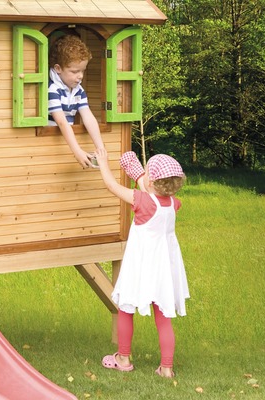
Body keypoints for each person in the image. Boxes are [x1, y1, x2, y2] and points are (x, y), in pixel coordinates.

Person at [95, 149, 190, 378]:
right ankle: (166, 368)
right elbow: (151, 189)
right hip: (162, 271)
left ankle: (123, 358)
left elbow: (112, 186)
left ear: (152, 181)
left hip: (139, 267)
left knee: (126, 308)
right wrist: (139, 172)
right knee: (163, 319)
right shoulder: (173, 203)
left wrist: (103, 163)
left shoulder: (141, 200)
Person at [48, 34, 105, 168]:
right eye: (74, 71)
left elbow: (88, 117)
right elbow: (61, 122)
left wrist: (101, 148)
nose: (80, 76)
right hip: (50, 144)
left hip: (66, 141)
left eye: (83, 71)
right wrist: (77, 151)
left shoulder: (78, 90)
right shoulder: (52, 89)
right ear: (58, 69)